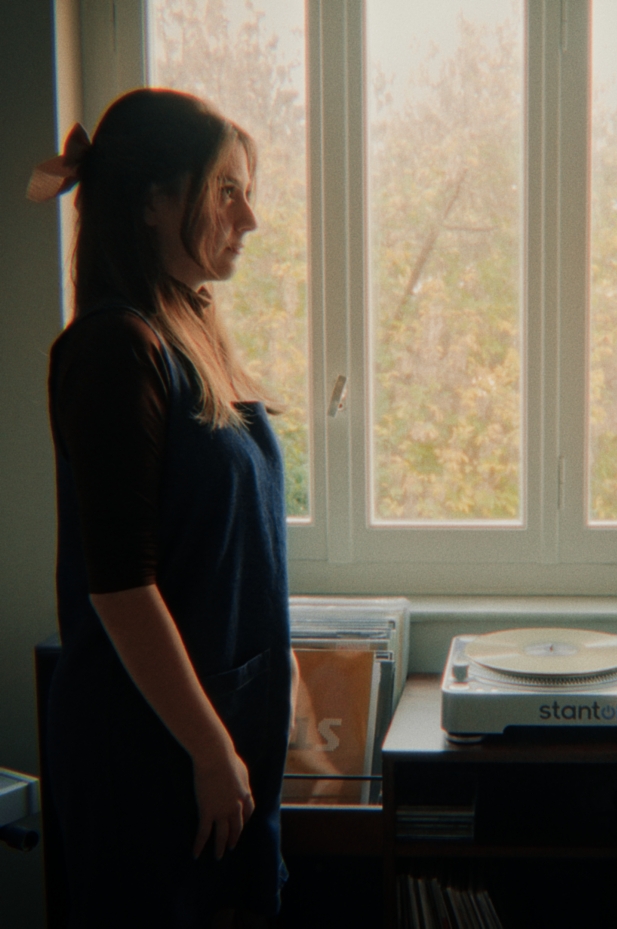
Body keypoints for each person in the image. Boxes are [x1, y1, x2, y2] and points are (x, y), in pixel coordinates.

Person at [31, 89, 292, 927]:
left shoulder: (189, 331)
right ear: (152, 202)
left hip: (215, 727)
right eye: (225, 190)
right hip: (151, 747)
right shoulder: (116, 349)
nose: (248, 217)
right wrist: (210, 748)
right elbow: (121, 587)